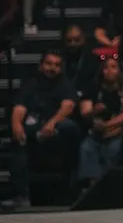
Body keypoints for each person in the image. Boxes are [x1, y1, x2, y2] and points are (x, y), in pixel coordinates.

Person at [7, 51, 81, 208]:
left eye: (56, 65)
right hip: (33, 129)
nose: (52, 68)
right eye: (49, 64)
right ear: (41, 66)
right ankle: (21, 195)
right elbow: (19, 108)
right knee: (17, 138)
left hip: (56, 129)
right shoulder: (30, 84)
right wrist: (16, 125)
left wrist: (52, 123)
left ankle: (71, 192)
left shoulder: (65, 84)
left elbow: (68, 106)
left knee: (70, 128)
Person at [76, 56, 123, 185]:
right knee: (86, 148)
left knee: (114, 149)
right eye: (106, 68)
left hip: (117, 131)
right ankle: (92, 184)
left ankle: (111, 183)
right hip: (96, 132)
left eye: (113, 67)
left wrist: (106, 126)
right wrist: (94, 111)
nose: (109, 71)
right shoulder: (92, 89)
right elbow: (85, 113)